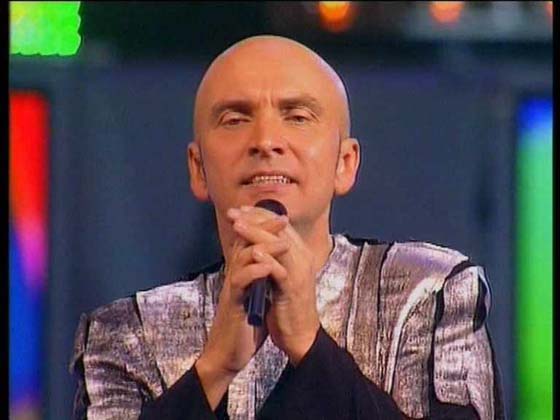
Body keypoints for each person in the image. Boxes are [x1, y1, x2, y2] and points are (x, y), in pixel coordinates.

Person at [69, 35, 505, 419]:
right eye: (235, 119)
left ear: (345, 163)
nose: (265, 141)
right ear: (198, 168)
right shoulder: (128, 335)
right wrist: (214, 369)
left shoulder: (429, 295)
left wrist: (310, 346)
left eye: (297, 116)